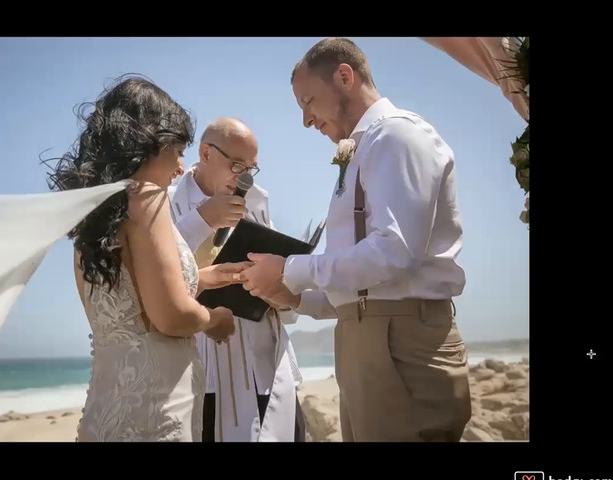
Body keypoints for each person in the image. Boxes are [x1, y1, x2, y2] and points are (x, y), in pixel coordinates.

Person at [239, 38, 472, 442]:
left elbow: (394, 252)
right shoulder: (364, 148)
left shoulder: (397, 137)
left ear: (344, 77)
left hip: (401, 346)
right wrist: (294, 298)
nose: (306, 121)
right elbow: (364, 289)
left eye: (308, 101)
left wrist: (290, 270)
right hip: (368, 342)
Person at [45, 75, 250, 442]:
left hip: (104, 410)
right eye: (177, 151)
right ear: (147, 145)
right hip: (156, 409)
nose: (178, 168)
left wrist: (204, 278)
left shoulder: (95, 213)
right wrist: (214, 319)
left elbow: (133, 298)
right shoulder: (147, 199)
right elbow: (169, 316)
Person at [167, 117, 306, 442]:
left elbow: (287, 301)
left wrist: (277, 290)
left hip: (266, 369)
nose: (244, 178)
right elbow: (158, 276)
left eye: (251, 168)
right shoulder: (167, 200)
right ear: (205, 153)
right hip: (205, 376)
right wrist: (203, 220)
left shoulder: (257, 202)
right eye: (236, 165)